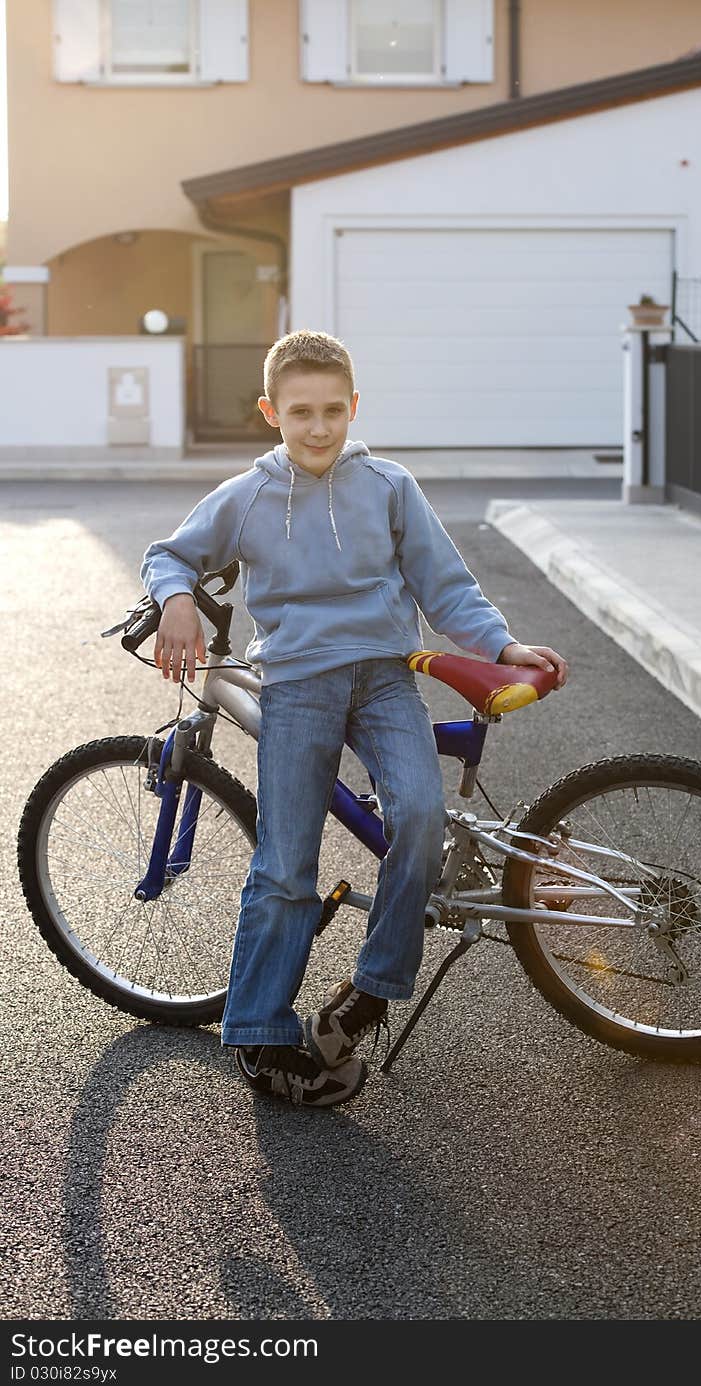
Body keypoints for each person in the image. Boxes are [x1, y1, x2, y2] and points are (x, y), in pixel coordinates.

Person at [141, 330, 568, 1108]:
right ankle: (261, 1036)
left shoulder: (389, 485)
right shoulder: (247, 495)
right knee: (284, 865)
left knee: (420, 816)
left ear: (354, 407)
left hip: (383, 681)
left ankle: (367, 993)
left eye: (333, 410)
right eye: (300, 411)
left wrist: (504, 645)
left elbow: (446, 587)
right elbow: (171, 553)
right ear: (271, 411)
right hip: (299, 685)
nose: (318, 427)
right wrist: (175, 599)